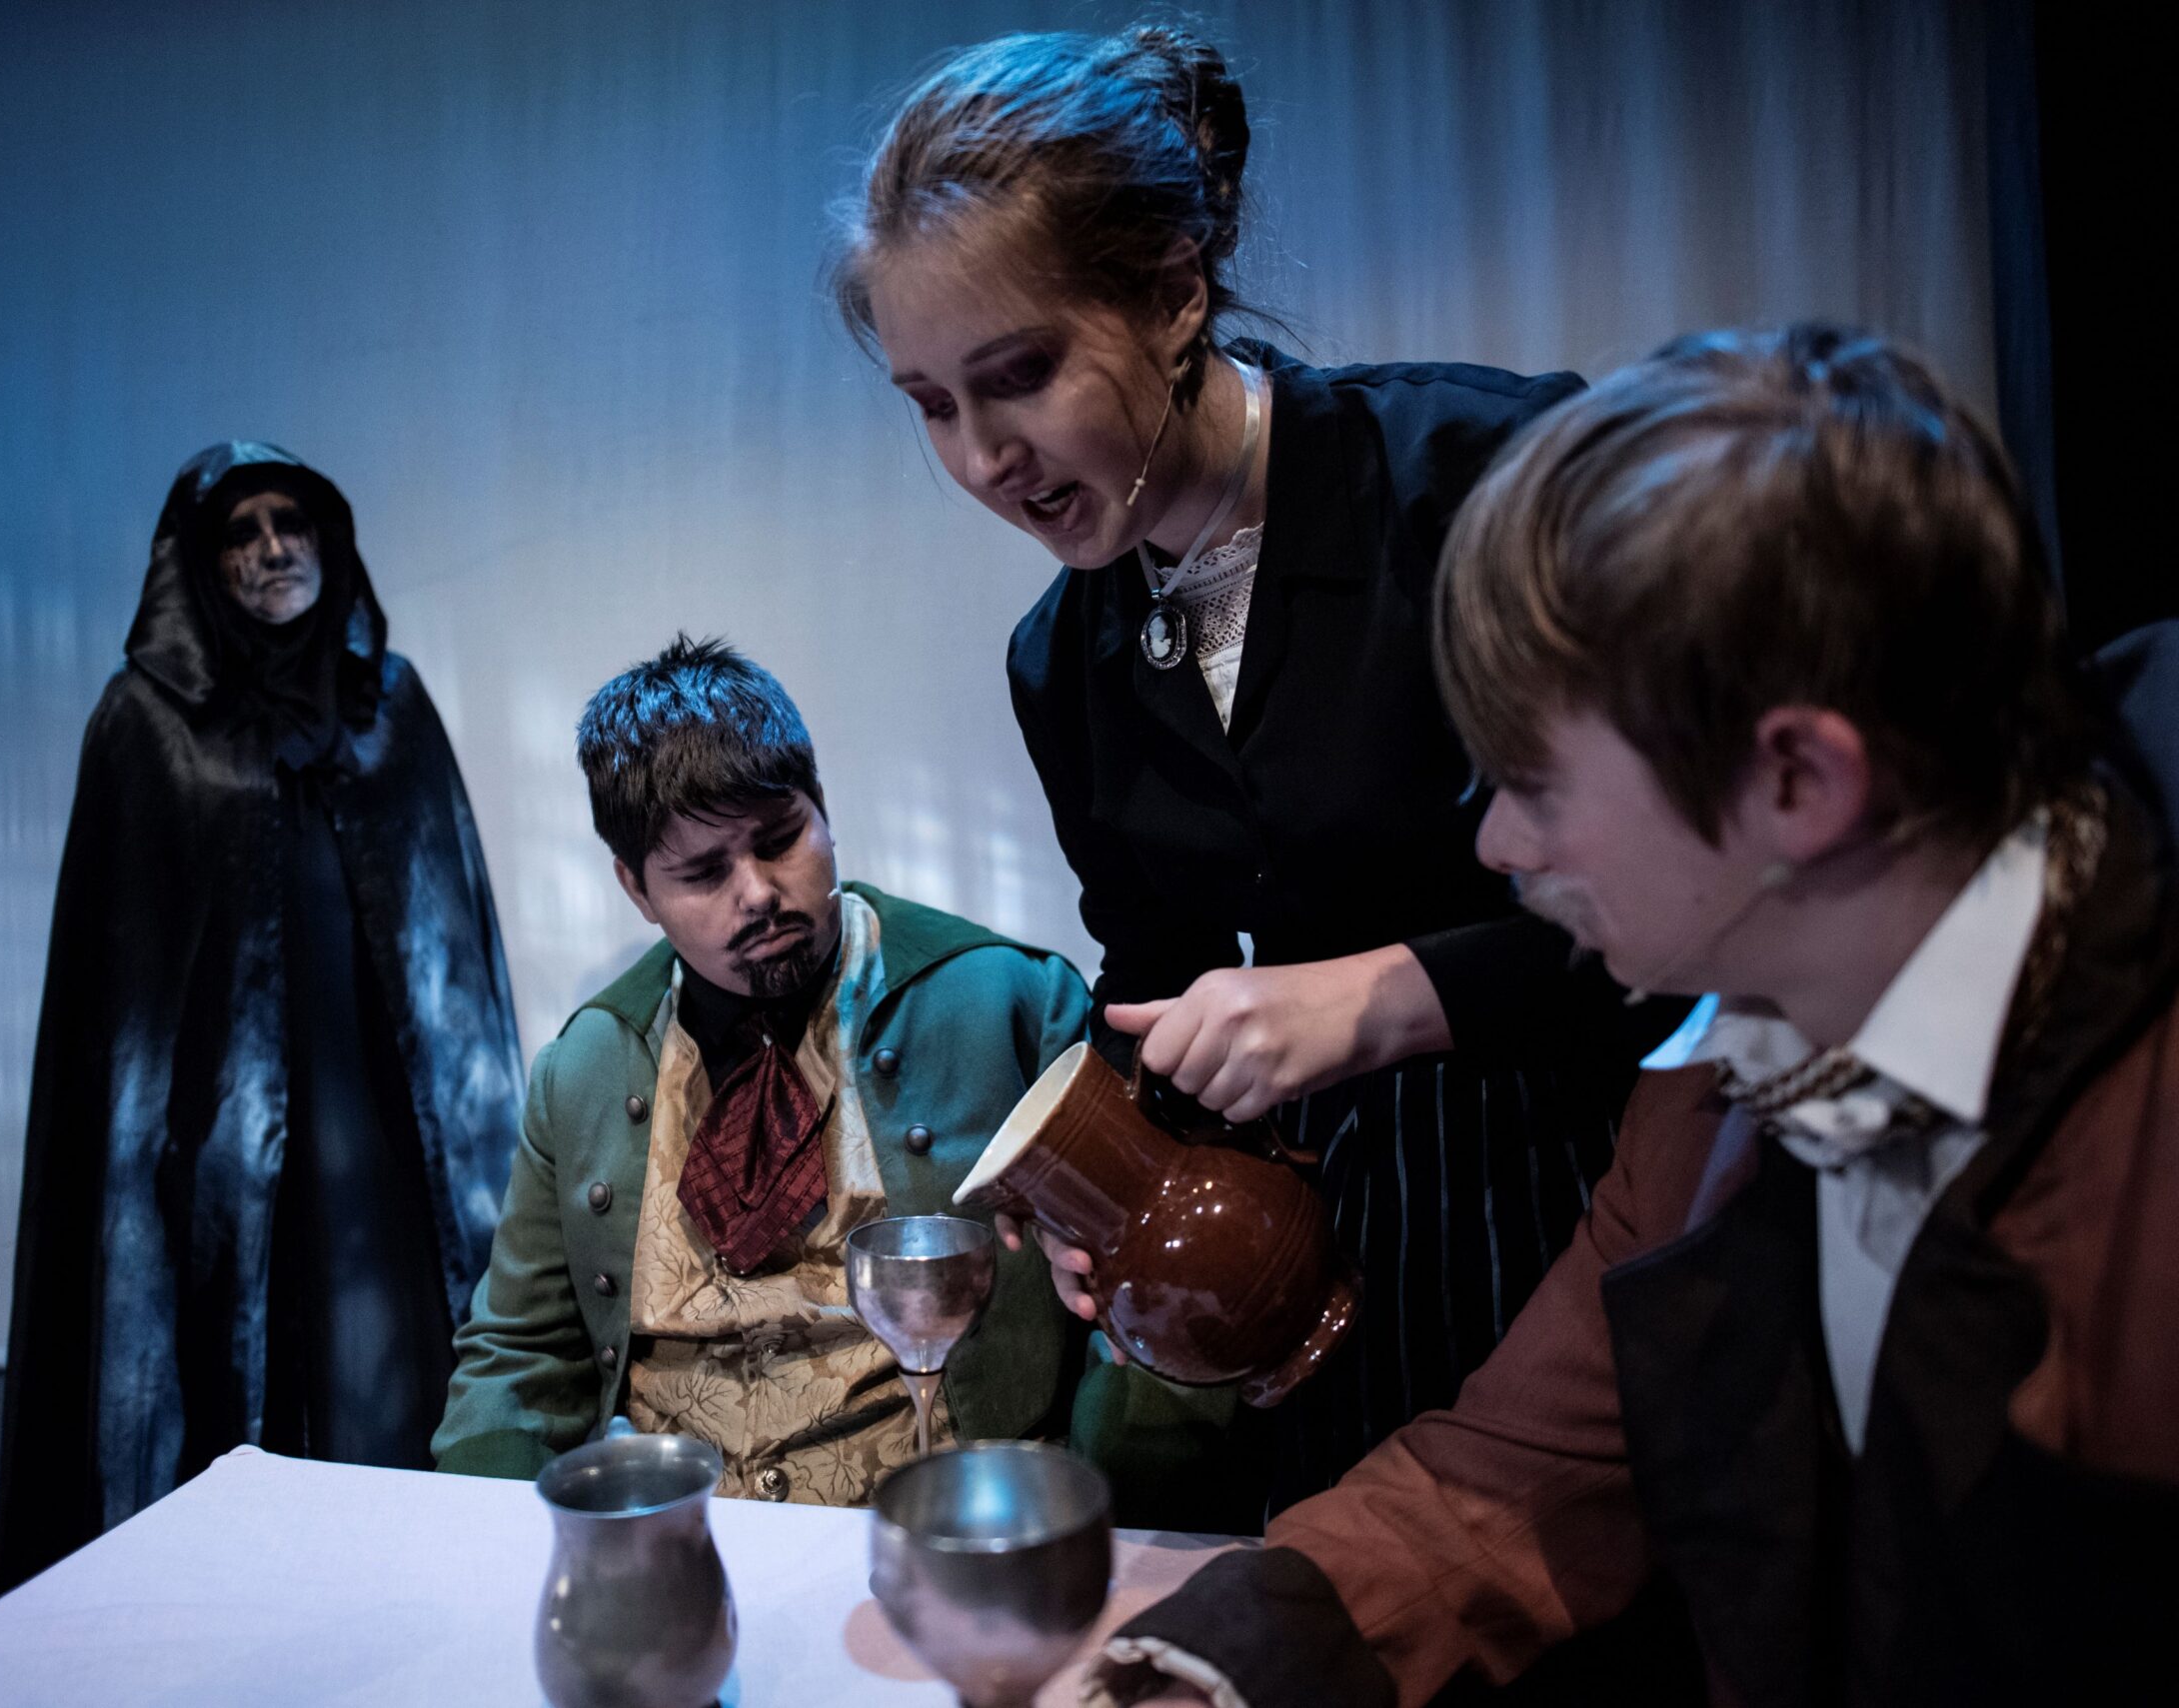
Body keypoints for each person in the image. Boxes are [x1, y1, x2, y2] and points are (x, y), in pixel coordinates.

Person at [1085, 325, 2177, 1708]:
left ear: (1797, 781)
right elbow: (1515, 1473)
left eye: (1534, 783)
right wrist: (1204, 1671)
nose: (1498, 846)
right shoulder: (1718, 1076)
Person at [830, 24, 1678, 1523]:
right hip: (1346, 1277)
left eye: (1018, 375)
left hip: (1614, 1213)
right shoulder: (1063, 660)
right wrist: (1102, 1173)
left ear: (1173, 294)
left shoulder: (1479, 477)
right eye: (930, 405)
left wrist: (1391, 993)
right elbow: (1154, 975)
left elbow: (1707, 899)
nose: (982, 459)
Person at [0, 442, 524, 1592]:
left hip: (383, 1126)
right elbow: (121, 1007)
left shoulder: (390, 706)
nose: (275, 548)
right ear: (197, 564)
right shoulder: (144, 722)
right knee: (241, 1375)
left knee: (394, 1369)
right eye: (242, 531)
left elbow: (453, 951)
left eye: (294, 523)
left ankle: (414, 1604)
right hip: (211, 1154)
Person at [431, 637, 1094, 1504]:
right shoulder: (583, 1069)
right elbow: (518, 1354)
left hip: (945, 1522)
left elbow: (1130, 1298)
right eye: (703, 872)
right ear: (636, 889)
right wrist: (482, 1535)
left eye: (780, 840)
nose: (756, 893)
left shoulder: (1007, 1003)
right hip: (682, 1532)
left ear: (823, 810)